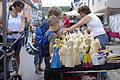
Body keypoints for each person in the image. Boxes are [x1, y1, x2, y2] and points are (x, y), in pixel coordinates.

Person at [63, 5, 108, 79]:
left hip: (100, 37)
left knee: (98, 57)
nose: (80, 15)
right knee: (97, 57)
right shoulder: (92, 16)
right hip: (100, 36)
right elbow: (92, 28)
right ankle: (99, 75)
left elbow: (78, 24)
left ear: (84, 12)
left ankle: (103, 76)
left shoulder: (89, 16)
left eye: (80, 13)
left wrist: (67, 30)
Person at [0, 1, 24, 76]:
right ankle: (7, 70)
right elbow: (0, 23)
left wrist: (22, 29)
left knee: (17, 54)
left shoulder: (20, 15)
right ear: (16, 6)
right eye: (21, 8)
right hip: (9, 37)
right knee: (9, 54)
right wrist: (7, 30)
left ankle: (17, 70)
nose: (22, 9)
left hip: (18, 37)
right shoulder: (6, 14)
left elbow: (22, 23)